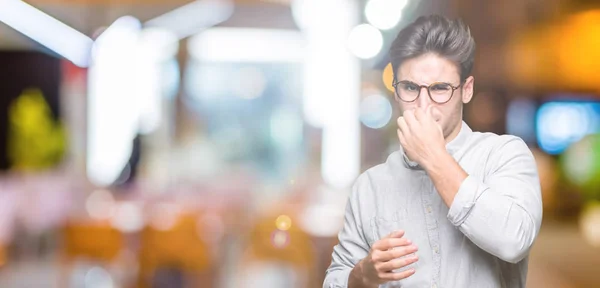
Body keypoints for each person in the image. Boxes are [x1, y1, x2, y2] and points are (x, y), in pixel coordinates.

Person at [323, 15, 542, 288]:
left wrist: (433, 155)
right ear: (396, 90)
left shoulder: (503, 155)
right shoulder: (370, 186)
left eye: (440, 89)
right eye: (410, 88)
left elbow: (514, 241)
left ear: (467, 90)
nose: (423, 105)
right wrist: (362, 275)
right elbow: (336, 279)